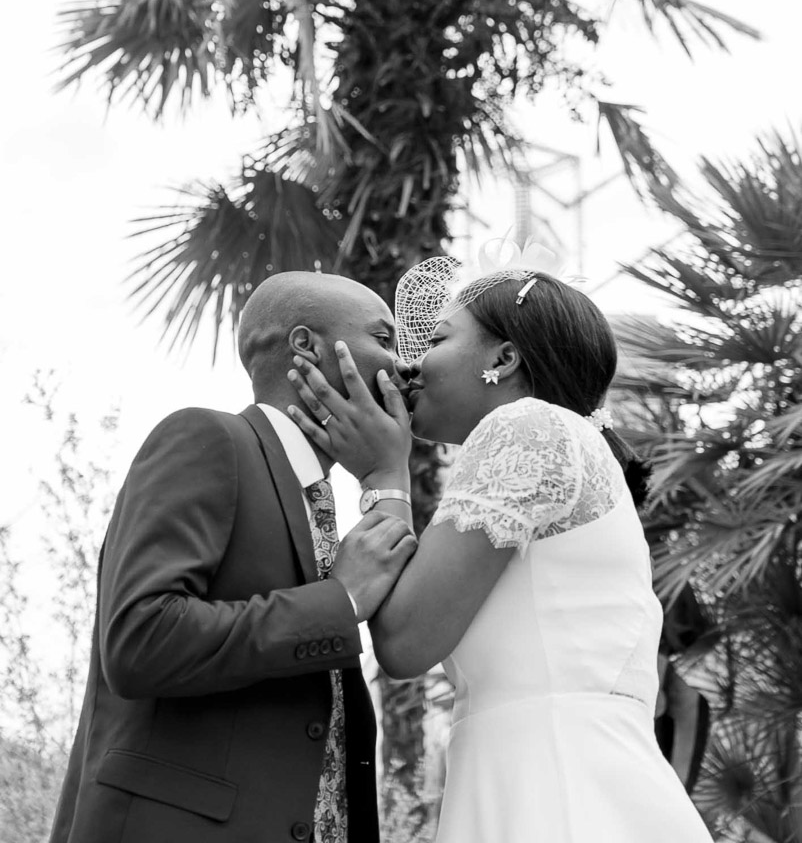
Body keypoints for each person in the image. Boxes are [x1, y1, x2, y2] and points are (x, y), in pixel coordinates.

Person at [287, 258, 716, 843]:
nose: (410, 364)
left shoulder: (527, 427)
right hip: (562, 774)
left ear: (503, 359)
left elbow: (405, 642)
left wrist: (384, 476)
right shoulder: (563, 440)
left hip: (556, 787)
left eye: (436, 339)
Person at [49, 272, 417, 843]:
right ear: (307, 346)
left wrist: (385, 477)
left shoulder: (318, 501)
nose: (406, 366)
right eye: (385, 339)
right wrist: (338, 601)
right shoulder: (208, 439)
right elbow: (138, 638)